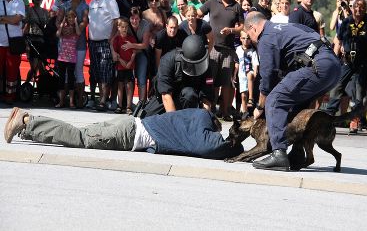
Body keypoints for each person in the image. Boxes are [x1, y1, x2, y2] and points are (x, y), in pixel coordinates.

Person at [245, 12, 341, 171]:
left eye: (249, 35)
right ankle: (297, 153)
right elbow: (313, 36)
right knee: (298, 105)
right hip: (333, 66)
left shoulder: (266, 37)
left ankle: (279, 153)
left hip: (319, 65)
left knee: (274, 100)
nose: (251, 40)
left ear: (252, 28)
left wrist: (260, 107)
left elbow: (268, 77)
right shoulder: (286, 27)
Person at [4, 107, 243, 160]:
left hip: (129, 124)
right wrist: (238, 145)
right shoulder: (199, 127)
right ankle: (27, 121)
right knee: (80, 138)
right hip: (129, 135)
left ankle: (27, 125)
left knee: (80, 133)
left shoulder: (193, 115)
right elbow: (209, 147)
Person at [325, 0, 367, 134]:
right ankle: (326, 119)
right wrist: (333, 60)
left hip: (363, 62)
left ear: (365, 9)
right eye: (356, 6)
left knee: (359, 92)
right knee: (337, 87)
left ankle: (355, 121)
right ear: (353, 8)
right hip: (347, 61)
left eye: (362, 7)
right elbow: (338, 41)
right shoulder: (346, 21)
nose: (359, 9)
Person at [198, 0, 244, 121]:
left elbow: (242, 26)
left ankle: (224, 111)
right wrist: (203, 31)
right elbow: (197, 13)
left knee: (225, 83)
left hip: (228, 50)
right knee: (211, 82)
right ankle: (211, 110)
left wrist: (231, 30)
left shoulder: (236, 6)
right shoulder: (212, 3)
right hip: (213, 48)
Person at [142, 35, 214, 117]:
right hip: (165, 97)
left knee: (190, 94)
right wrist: (176, 123)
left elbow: (206, 97)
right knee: (147, 119)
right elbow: (166, 96)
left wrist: (206, 118)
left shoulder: (206, 65)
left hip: (189, 98)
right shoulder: (167, 61)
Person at [88, 0, 120, 111]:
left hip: (105, 42)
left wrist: (111, 38)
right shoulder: (91, 3)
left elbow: (116, 20)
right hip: (93, 42)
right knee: (95, 72)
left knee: (105, 72)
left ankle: (103, 101)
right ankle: (99, 99)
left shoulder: (109, 0)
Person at [58, 0, 89, 108]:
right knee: (65, 74)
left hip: (80, 44)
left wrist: (76, 30)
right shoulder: (64, 5)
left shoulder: (85, 6)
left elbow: (85, 21)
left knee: (78, 71)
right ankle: (64, 101)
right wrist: (62, 30)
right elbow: (57, 20)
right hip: (65, 46)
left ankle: (80, 100)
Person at [0, 0, 25, 104]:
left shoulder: (19, 2)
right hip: (0, 43)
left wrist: (3, 18)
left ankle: (10, 97)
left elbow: (17, 19)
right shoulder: (0, 1)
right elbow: (14, 20)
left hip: (14, 43)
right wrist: (12, 19)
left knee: (12, 72)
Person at [55, 10, 82, 108]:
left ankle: (71, 102)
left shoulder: (75, 30)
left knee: (71, 80)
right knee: (61, 80)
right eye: (69, 17)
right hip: (62, 58)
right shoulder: (64, 30)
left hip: (71, 59)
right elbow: (57, 34)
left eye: (72, 17)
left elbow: (79, 33)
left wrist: (75, 22)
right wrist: (62, 23)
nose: (70, 19)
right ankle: (61, 101)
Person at [23, 0, 49, 82]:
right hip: (32, 41)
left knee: (42, 67)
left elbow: (48, 28)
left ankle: (41, 90)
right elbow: (25, 26)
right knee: (34, 67)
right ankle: (26, 86)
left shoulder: (46, 12)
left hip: (42, 42)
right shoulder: (29, 11)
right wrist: (26, 42)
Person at [112, 17, 137, 114]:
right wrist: (122, 62)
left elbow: (134, 52)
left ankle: (129, 106)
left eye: (126, 27)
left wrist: (130, 62)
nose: (125, 29)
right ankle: (120, 105)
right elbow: (116, 55)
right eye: (122, 27)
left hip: (130, 66)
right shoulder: (117, 39)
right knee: (120, 85)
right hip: (120, 66)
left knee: (129, 86)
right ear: (118, 27)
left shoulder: (131, 38)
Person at [234, 31, 259, 117]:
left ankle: (251, 98)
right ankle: (244, 113)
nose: (246, 40)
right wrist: (234, 75)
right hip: (241, 75)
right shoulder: (238, 49)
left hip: (250, 72)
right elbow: (236, 63)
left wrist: (255, 72)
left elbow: (255, 63)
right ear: (240, 39)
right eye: (243, 38)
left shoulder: (253, 51)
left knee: (249, 74)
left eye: (248, 38)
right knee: (243, 96)